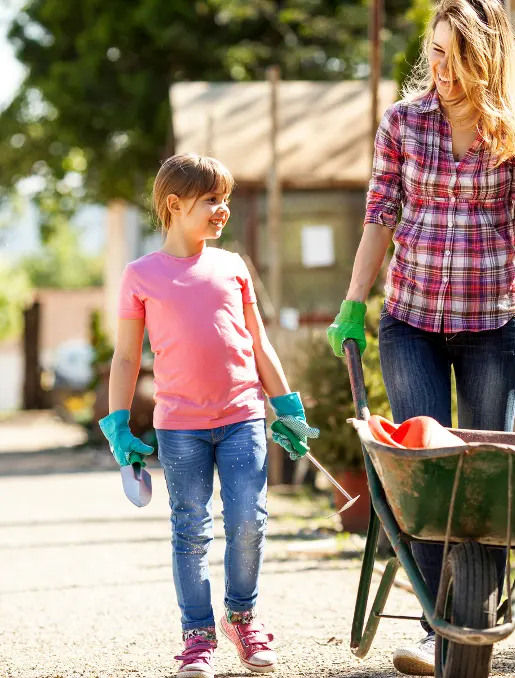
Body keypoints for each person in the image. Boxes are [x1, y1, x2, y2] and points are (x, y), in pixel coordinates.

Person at [326, 0, 515, 674]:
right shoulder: (404, 123)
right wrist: (355, 301)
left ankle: (474, 618)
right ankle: (443, 626)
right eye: (434, 51)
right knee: (428, 472)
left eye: (455, 54)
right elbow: (380, 214)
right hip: (410, 318)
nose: (438, 67)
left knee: (486, 485)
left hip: (494, 322)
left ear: (486, 58)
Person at [99, 153, 318, 678]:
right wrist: (118, 424)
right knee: (190, 530)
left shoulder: (234, 266)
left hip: (243, 416)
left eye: (225, 199)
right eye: (211, 201)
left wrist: (285, 406)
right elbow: (128, 356)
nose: (223, 210)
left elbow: (258, 342)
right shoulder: (140, 276)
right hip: (179, 429)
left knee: (249, 520)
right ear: (174, 206)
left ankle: (241, 617)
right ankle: (197, 635)